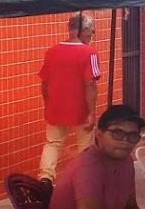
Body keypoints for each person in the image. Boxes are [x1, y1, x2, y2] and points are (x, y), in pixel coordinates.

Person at [37, 12, 101, 181]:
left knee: (52, 143)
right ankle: (84, 179)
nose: (92, 35)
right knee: (85, 146)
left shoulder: (52, 51)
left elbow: (44, 83)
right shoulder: (89, 53)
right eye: (91, 31)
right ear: (83, 30)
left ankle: (46, 178)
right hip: (80, 108)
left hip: (56, 108)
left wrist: (47, 105)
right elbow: (90, 84)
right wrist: (92, 112)